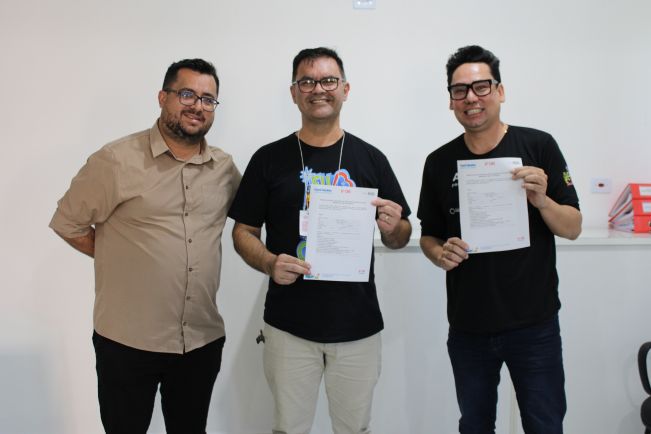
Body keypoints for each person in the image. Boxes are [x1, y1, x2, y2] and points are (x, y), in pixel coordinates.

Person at [49, 58, 241, 434]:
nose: (197, 106)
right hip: (127, 342)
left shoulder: (224, 169)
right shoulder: (115, 160)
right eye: (187, 94)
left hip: (200, 341)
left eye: (208, 99)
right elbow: (67, 222)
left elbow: (253, 218)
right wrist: (121, 256)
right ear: (162, 97)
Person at [228, 47, 412, 434]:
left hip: (357, 326)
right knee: (289, 428)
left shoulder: (371, 159)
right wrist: (269, 262)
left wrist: (393, 227)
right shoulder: (269, 159)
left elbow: (400, 236)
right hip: (288, 327)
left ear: (345, 89)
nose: (318, 89)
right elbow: (243, 232)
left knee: (354, 429)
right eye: (307, 81)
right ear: (294, 92)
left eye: (328, 80)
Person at [417, 45, 582, 434]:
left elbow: (573, 226)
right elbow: (429, 236)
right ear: (451, 101)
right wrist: (440, 253)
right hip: (468, 327)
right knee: (474, 426)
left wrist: (542, 201)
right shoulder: (438, 162)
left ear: (500, 91)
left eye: (481, 87)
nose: (471, 98)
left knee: (545, 425)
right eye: (460, 90)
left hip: (534, 325)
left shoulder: (538, 146)